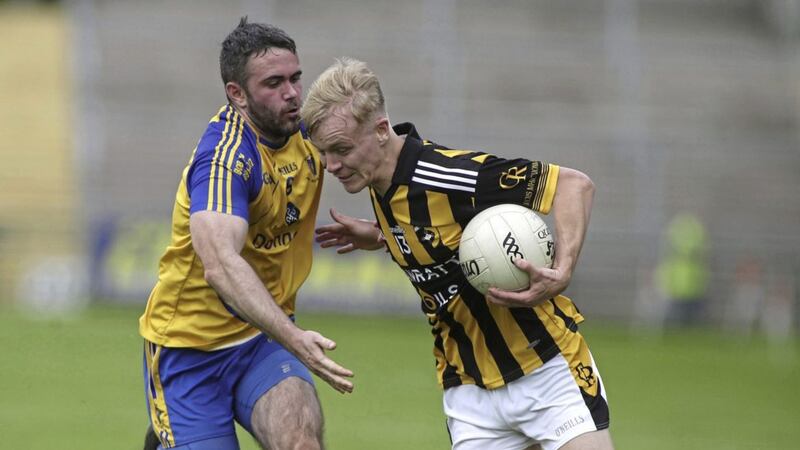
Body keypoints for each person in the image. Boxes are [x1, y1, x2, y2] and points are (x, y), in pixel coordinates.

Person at [301, 58, 613, 450]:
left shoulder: (452, 175)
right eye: (324, 152)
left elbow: (574, 186)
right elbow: (439, 236)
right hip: (468, 392)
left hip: (546, 370)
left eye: (340, 150)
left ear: (381, 130)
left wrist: (563, 268)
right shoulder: (377, 179)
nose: (331, 165)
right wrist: (382, 236)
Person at [138, 18, 353, 450]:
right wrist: (297, 340)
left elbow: (379, 155)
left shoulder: (305, 128)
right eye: (274, 83)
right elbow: (220, 265)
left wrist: (381, 231)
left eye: (295, 78)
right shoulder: (225, 158)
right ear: (237, 94)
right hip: (189, 351)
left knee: (301, 443)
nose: (292, 93)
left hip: (262, 341)